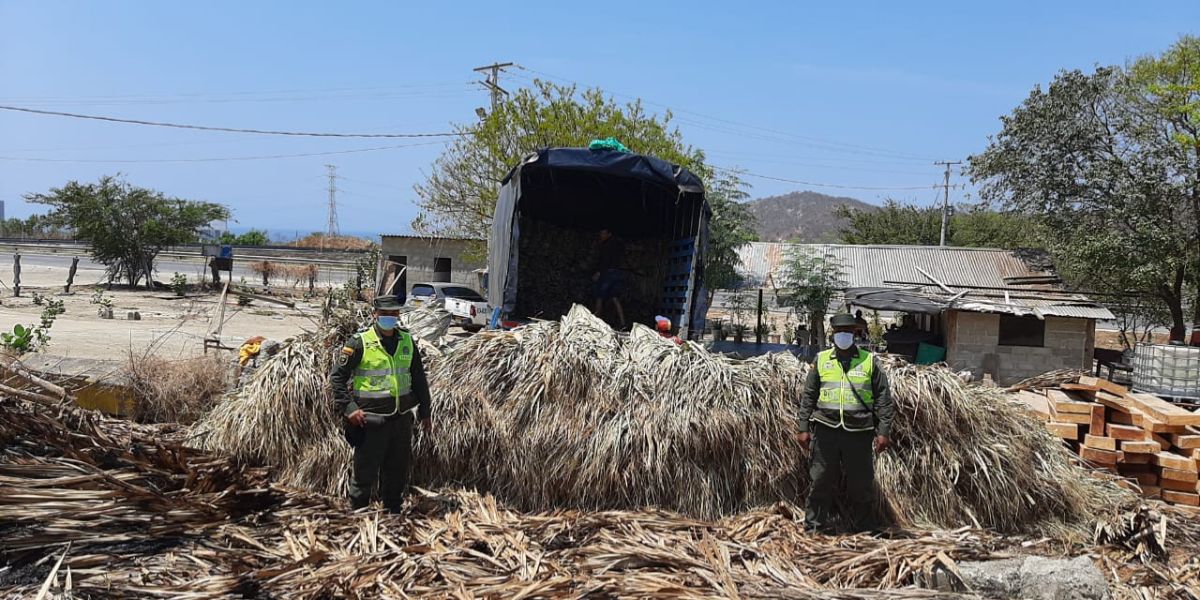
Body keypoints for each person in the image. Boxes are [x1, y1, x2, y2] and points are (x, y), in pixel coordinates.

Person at [330, 295, 434, 512]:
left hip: (402, 418)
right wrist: (350, 409)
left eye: (394, 314)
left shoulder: (407, 341)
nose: (390, 317)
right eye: (385, 314)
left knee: (397, 470)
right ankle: (358, 512)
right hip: (371, 420)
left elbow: (418, 379)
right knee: (364, 471)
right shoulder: (359, 342)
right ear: (374, 314)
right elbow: (337, 378)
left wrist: (426, 412)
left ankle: (392, 512)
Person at [795, 312, 895, 534]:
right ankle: (814, 527)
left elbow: (883, 399)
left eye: (848, 332)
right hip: (826, 430)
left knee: (861, 483)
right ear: (833, 334)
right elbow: (808, 396)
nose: (843, 335)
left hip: (859, 431)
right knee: (820, 480)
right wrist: (803, 428)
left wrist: (884, 431)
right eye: (839, 331)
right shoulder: (821, 360)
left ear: (855, 333)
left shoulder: (869, 361)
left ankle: (864, 528)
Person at [591, 228, 626, 329]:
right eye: (600, 233)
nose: (601, 236)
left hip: (607, 274)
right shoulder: (618, 245)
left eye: (603, 233)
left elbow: (604, 261)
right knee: (615, 298)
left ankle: (595, 322)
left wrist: (598, 272)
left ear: (609, 234)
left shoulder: (606, 246)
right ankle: (623, 323)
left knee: (599, 295)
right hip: (616, 273)